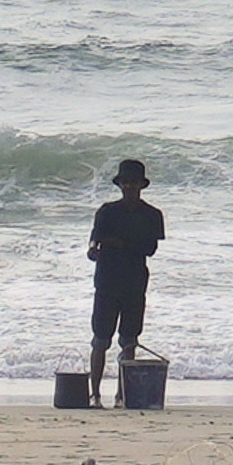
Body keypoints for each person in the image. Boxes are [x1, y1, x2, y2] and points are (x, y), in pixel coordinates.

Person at [87, 157, 165, 395]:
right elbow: (94, 241)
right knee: (100, 340)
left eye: (133, 182)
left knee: (129, 341)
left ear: (142, 185)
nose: (129, 186)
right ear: (120, 184)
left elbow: (151, 248)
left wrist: (116, 243)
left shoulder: (152, 215)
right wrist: (95, 247)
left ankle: (123, 394)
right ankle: (95, 393)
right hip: (107, 283)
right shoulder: (107, 212)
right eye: (126, 182)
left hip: (134, 283)